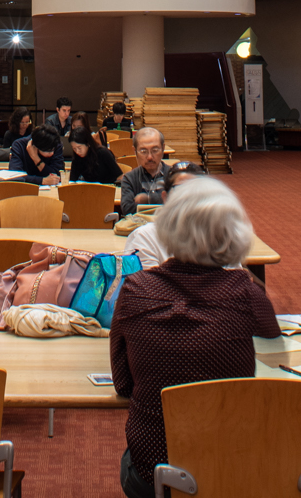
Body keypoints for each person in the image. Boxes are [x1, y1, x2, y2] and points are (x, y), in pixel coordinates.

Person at [109, 178, 279, 498]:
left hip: (156, 472)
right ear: (234, 233)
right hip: (232, 464)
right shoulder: (247, 292)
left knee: (132, 463)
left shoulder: (134, 289)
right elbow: (275, 350)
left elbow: (123, 384)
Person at [122, 161, 212, 268]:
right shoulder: (146, 237)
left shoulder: (220, 235)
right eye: (180, 190)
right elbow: (145, 283)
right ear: (165, 198)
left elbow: (229, 279)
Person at [117, 126, 178, 214]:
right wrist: (164, 200)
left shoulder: (174, 175)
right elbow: (127, 210)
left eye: (155, 150)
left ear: (163, 149)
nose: (149, 157)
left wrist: (147, 199)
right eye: (143, 151)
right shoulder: (129, 178)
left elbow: (179, 205)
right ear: (135, 151)